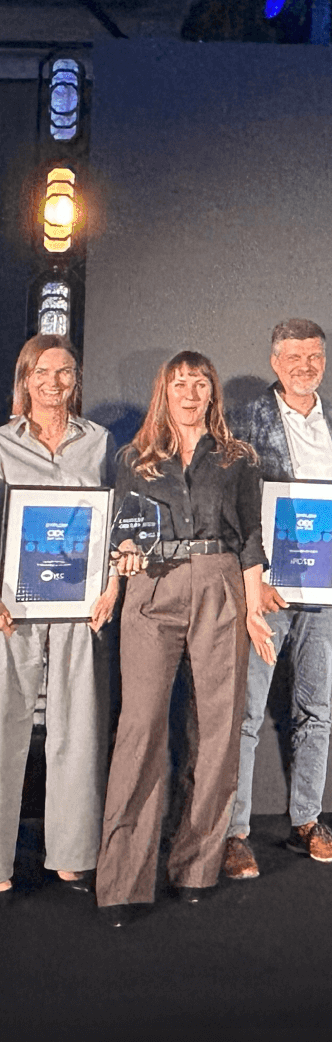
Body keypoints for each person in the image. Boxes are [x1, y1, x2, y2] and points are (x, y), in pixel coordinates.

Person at [96, 352, 267, 924]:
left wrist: (255, 609)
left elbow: (249, 539)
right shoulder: (134, 460)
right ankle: (123, 880)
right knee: (140, 728)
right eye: (179, 383)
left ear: (212, 392)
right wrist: (113, 590)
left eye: (199, 382)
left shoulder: (238, 458)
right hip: (153, 585)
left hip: (221, 583)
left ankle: (197, 866)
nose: (189, 391)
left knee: (217, 729)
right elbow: (124, 536)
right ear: (163, 392)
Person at [222, 319, 332, 880]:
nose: (305, 366)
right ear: (275, 362)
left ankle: (307, 820)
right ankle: (234, 832)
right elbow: (231, 508)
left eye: (314, 357)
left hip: (324, 592)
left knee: (316, 710)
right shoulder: (245, 420)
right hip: (266, 589)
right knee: (247, 714)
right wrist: (254, 579)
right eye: (294, 357)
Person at [0, 336, 119, 902]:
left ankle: (72, 854)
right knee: (4, 726)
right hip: (12, 606)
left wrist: (113, 583)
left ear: (76, 380)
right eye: (42, 373)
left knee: (78, 726)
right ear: (25, 379)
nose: (53, 383)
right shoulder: (0, 443)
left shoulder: (98, 443)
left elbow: (118, 520)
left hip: (78, 605)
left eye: (64, 372)